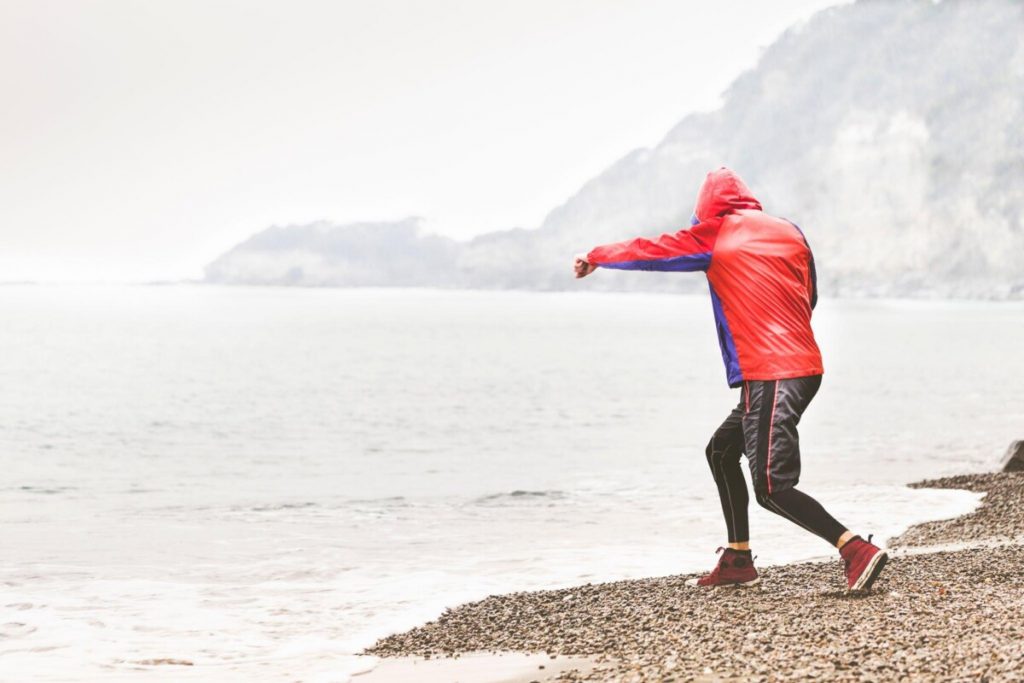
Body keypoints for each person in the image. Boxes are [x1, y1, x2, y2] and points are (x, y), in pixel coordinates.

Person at [573, 167, 887, 592]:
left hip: (775, 373)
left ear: (706, 212)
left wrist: (596, 255)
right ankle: (738, 559)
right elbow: (808, 292)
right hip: (799, 368)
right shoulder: (790, 231)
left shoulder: (714, 234)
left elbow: (652, 250)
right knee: (722, 451)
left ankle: (854, 549)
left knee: (773, 486)